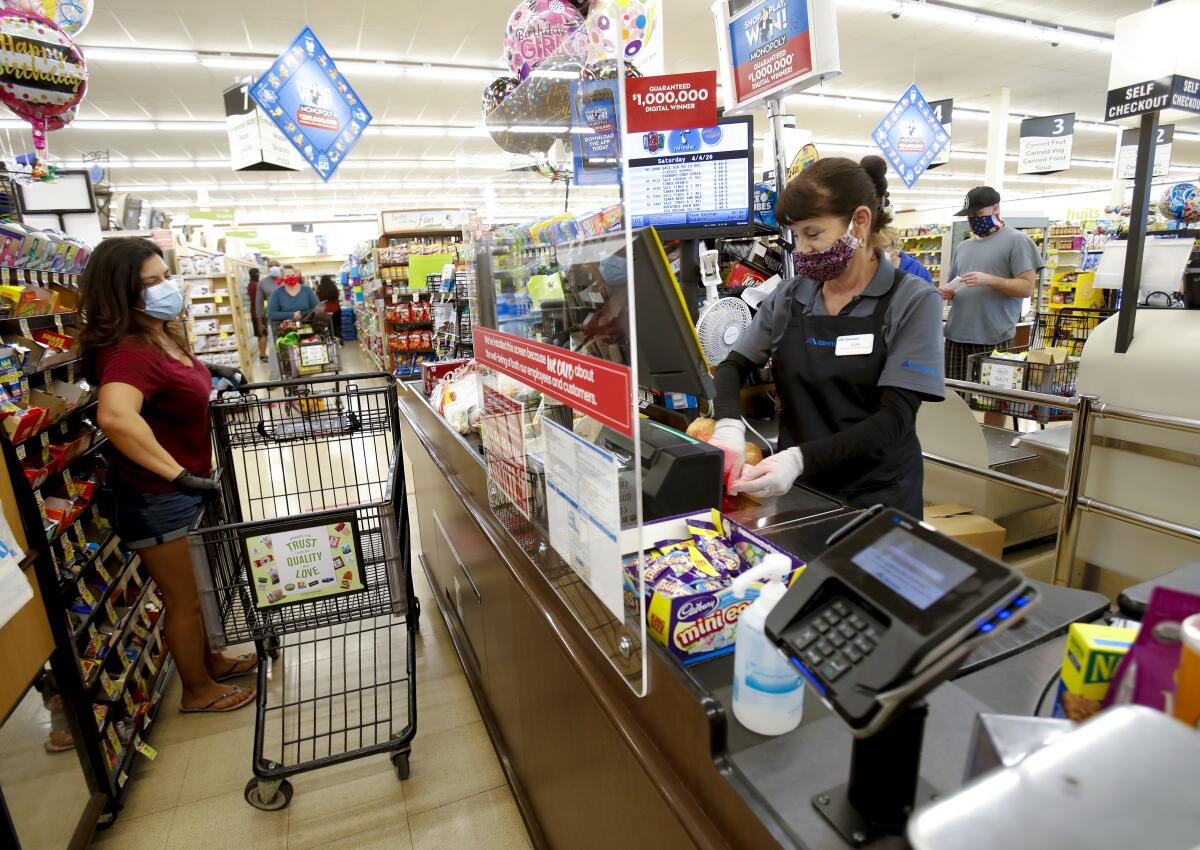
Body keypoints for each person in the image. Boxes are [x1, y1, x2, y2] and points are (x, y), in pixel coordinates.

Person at [710, 156, 945, 517]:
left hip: (879, 495)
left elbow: (895, 417)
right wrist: (727, 424)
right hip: (800, 490)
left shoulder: (912, 300)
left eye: (813, 234)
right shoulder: (790, 297)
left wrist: (799, 458)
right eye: (796, 236)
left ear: (860, 222)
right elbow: (734, 365)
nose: (801, 248)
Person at [80, 237, 256, 714]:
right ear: (122, 293)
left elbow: (173, 376)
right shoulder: (128, 350)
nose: (165, 287)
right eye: (150, 283)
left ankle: (213, 663)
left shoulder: (158, 332)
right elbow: (116, 416)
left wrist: (211, 372)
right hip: (155, 497)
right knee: (186, 601)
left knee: (199, 591)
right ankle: (197, 692)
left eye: (164, 277)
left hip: (178, 489)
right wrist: (177, 474)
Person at [941, 186, 1044, 426]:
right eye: (970, 216)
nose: (973, 220)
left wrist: (989, 280)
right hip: (957, 335)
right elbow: (955, 284)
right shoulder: (963, 247)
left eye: (978, 214)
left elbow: (1026, 287)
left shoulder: (1018, 241)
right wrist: (947, 292)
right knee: (953, 398)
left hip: (994, 336)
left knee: (994, 400)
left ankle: (990, 447)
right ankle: (957, 445)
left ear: (996, 209)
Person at [317, 274, 343, 343]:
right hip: (336, 310)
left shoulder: (319, 289)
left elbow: (318, 300)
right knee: (337, 326)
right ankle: (339, 340)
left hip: (325, 311)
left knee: (328, 327)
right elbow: (337, 296)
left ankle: (330, 341)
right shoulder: (334, 288)